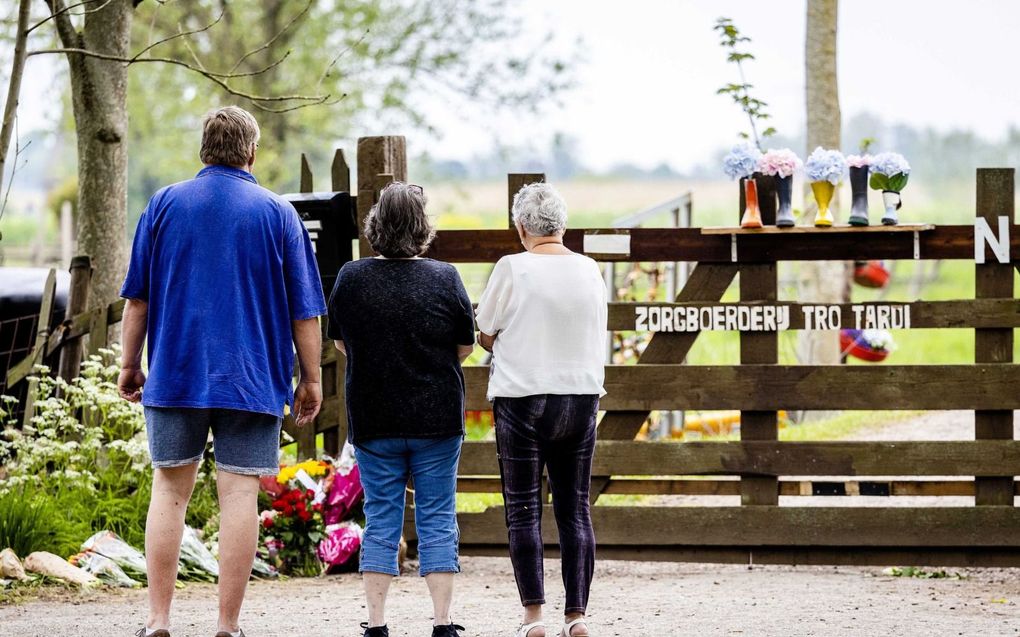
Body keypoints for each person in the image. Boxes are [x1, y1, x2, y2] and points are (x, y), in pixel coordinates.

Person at [119, 106, 326, 637]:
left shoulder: (163, 205)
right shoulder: (279, 214)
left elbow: (137, 300)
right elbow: (305, 310)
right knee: (239, 496)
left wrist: (128, 365)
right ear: (251, 153)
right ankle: (227, 626)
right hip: (252, 377)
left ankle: (159, 619)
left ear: (203, 151)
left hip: (176, 371)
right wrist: (312, 379)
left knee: (169, 491)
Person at [327, 182, 474, 637]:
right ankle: (442, 622)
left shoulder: (351, 278)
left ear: (376, 227)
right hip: (437, 419)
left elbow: (340, 343)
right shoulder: (445, 277)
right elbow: (464, 346)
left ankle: (376, 623)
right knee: (437, 514)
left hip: (375, 417)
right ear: (422, 227)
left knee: (381, 516)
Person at [475, 183, 607, 637]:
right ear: (564, 225)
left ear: (521, 227)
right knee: (575, 508)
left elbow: (485, 332)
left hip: (522, 397)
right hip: (581, 396)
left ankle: (534, 617)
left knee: (524, 509)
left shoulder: (513, 267)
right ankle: (578, 616)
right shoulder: (590, 270)